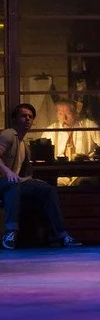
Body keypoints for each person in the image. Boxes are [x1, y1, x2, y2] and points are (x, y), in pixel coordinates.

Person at [0, 104, 82, 249]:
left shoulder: (23, 144)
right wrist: (8, 172)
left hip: (14, 183)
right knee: (13, 184)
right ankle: (10, 233)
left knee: (47, 189)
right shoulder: (9, 134)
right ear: (15, 119)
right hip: (3, 182)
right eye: (23, 116)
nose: (27, 119)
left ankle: (61, 235)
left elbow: (20, 174)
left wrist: (31, 181)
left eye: (30, 117)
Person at [41, 99, 100, 186]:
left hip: (85, 172)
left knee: (83, 183)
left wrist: (94, 159)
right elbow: (41, 155)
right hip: (60, 175)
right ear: (57, 115)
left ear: (75, 113)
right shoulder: (50, 131)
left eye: (68, 113)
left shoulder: (88, 125)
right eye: (60, 114)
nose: (64, 118)